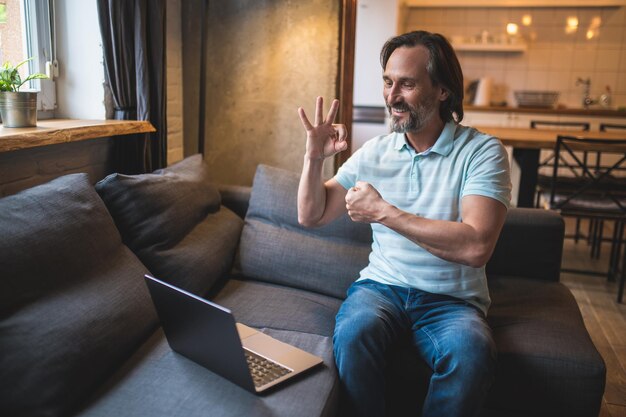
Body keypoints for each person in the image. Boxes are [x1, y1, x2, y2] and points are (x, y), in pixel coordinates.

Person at [296, 30, 511, 417]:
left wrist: (383, 212)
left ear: (443, 90)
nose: (392, 96)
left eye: (407, 84)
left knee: (472, 352)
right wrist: (314, 158)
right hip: (380, 290)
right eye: (387, 81)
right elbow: (310, 215)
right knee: (353, 333)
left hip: (452, 302)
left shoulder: (481, 152)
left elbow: (476, 246)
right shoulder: (375, 151)